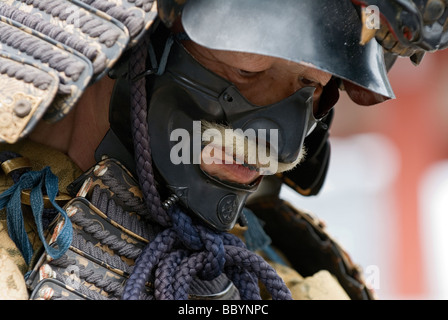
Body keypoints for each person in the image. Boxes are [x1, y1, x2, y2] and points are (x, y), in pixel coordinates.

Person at [0, 0, 446, 300]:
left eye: (312, 88)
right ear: (140, 46)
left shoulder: (291, 268)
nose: (282, 144)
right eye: (247, 70)